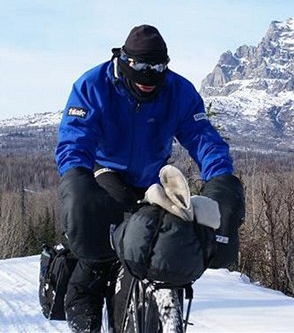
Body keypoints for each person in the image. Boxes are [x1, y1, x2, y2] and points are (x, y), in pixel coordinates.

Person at [55, 25, 245, 333]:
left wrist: (221, 178)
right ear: (125, 61)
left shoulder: (177, 91)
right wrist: (77, 177)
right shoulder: (94, 85)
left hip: (152, 178)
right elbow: (75, 139)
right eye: (141, 67)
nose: (149, 76)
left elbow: (202, 139)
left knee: (168, 242)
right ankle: (84, 321)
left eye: (158, 67)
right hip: (107, 171)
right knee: (97, 255)